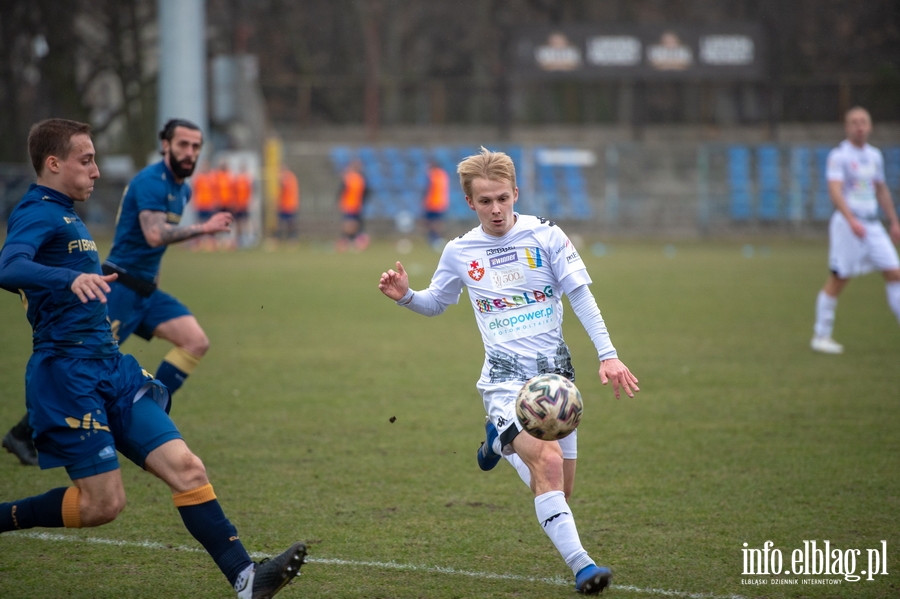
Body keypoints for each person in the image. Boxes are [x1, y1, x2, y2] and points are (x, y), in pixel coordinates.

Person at [0, 118, 305, 598]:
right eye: (87, 160)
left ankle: (247, 579)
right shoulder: (37, 211)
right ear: (54, 164)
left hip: (111, 368)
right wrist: (69, 280)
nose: (97, 171)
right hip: (68, 374)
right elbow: (9, 265)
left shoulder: (66, 212)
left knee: (189, 468)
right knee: (103, 505)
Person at [378, 148, 639, 594]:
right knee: (549, 465)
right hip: (503, 379)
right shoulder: (460, 251)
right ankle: (584, 567)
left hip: (556, 382)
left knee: (559, 489)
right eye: (485, 201)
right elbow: (437, 303)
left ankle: (498, 443)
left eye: (503, 198)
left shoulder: (547, 236)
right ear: (470, 203)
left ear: (516, 193)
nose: (496, 209)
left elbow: (580, 295)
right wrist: (406, 295)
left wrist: (607, 354)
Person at [102, 119, 233, 397]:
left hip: (147, 291)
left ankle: (150, 407)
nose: (190, 152)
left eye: (196, 146)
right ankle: (25, 433)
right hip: (120, 285)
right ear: (166, 146)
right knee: (88, 367)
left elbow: (156, 247)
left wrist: (155, 278)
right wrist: (205, 228)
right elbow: (154, 235)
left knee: (195, 341)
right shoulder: (151, 181)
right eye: (183, 144)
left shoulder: (183, 189)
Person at [811, 106, 900, 354]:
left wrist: (894, 221)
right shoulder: (839, 155)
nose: (859, 126)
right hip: (849, 224)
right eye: (854, 122)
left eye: (863, 121)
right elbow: (835, 190)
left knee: (895, 273)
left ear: (870, 126)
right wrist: (851, 220)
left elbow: (880, 189)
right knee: (839, 278)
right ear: (847, 127)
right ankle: (821, 336)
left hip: (872, 224)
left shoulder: (875, 156)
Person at [336, 160, 369, 251]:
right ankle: (348, 240)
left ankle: (350, 240)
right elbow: (342, 191)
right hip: (350, 205)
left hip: (355, 205)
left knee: (352, 224)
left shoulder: (357, 178)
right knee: (350, 224)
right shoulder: (352, 178)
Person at [422, 160, 450, 249]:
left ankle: (434, 239)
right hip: (441, 201)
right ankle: (436, 239)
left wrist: (423, 199)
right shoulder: (443, 174)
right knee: (437, 222)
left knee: (432, 222)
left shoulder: (432, 174)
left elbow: (427, 188)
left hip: (432, 202)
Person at [276, 166, 300, 241]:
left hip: (289, 204)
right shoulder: (291, 177)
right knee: (283, 222)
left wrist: (280, 180)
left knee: (289, 222)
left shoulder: (288, 178)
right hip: (286, 204)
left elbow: (284, 187)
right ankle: (284, 238)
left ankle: (291, 238)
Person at [232, 163, 253, 248]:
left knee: (246, 222)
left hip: (245, 204)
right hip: (238, 205)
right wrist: (234, 203)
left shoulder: (247, 179)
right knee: (238, 222)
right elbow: (234, 192)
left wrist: (250, 202)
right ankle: (239, 240)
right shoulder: (237, 180)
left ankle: (247, 239)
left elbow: (250, 192)